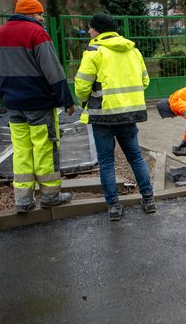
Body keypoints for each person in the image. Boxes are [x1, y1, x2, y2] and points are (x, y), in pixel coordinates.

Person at [0, 0, 75, 213]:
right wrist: (66, 99)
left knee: (21, 151)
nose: (42, 18)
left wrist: (8, 94)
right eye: (39, 14)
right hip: (38, 103)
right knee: (44, 148)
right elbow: (53, 70)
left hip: (13, 103)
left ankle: (23, 200)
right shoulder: (36, 32)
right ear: (29, 14)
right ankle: (50, 196)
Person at [74, 13, 154, 221]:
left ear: (98, 30)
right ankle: (148, 199)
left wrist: (84, 101)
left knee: (107, 162)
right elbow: (145, 81)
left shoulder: (94, 51)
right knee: (135, 156)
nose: (89, 31)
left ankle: (114, 207)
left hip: (103, 116)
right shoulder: (133, 50)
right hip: (130, 114)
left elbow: (82, 85)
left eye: (91, 28)